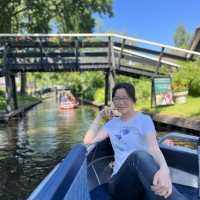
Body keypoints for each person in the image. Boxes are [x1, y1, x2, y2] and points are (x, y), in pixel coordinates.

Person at [83, 83, 188, 200]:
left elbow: (154, 148)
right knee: (139, 156)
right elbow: (88, 141)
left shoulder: (144, 120)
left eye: (125, 98)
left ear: (133, 100)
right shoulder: (111, 125)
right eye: (117, 98)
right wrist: (100, 115)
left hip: (142, 182)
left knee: (156, 184)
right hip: (119, 184)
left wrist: (164, 169)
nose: (121, 102)